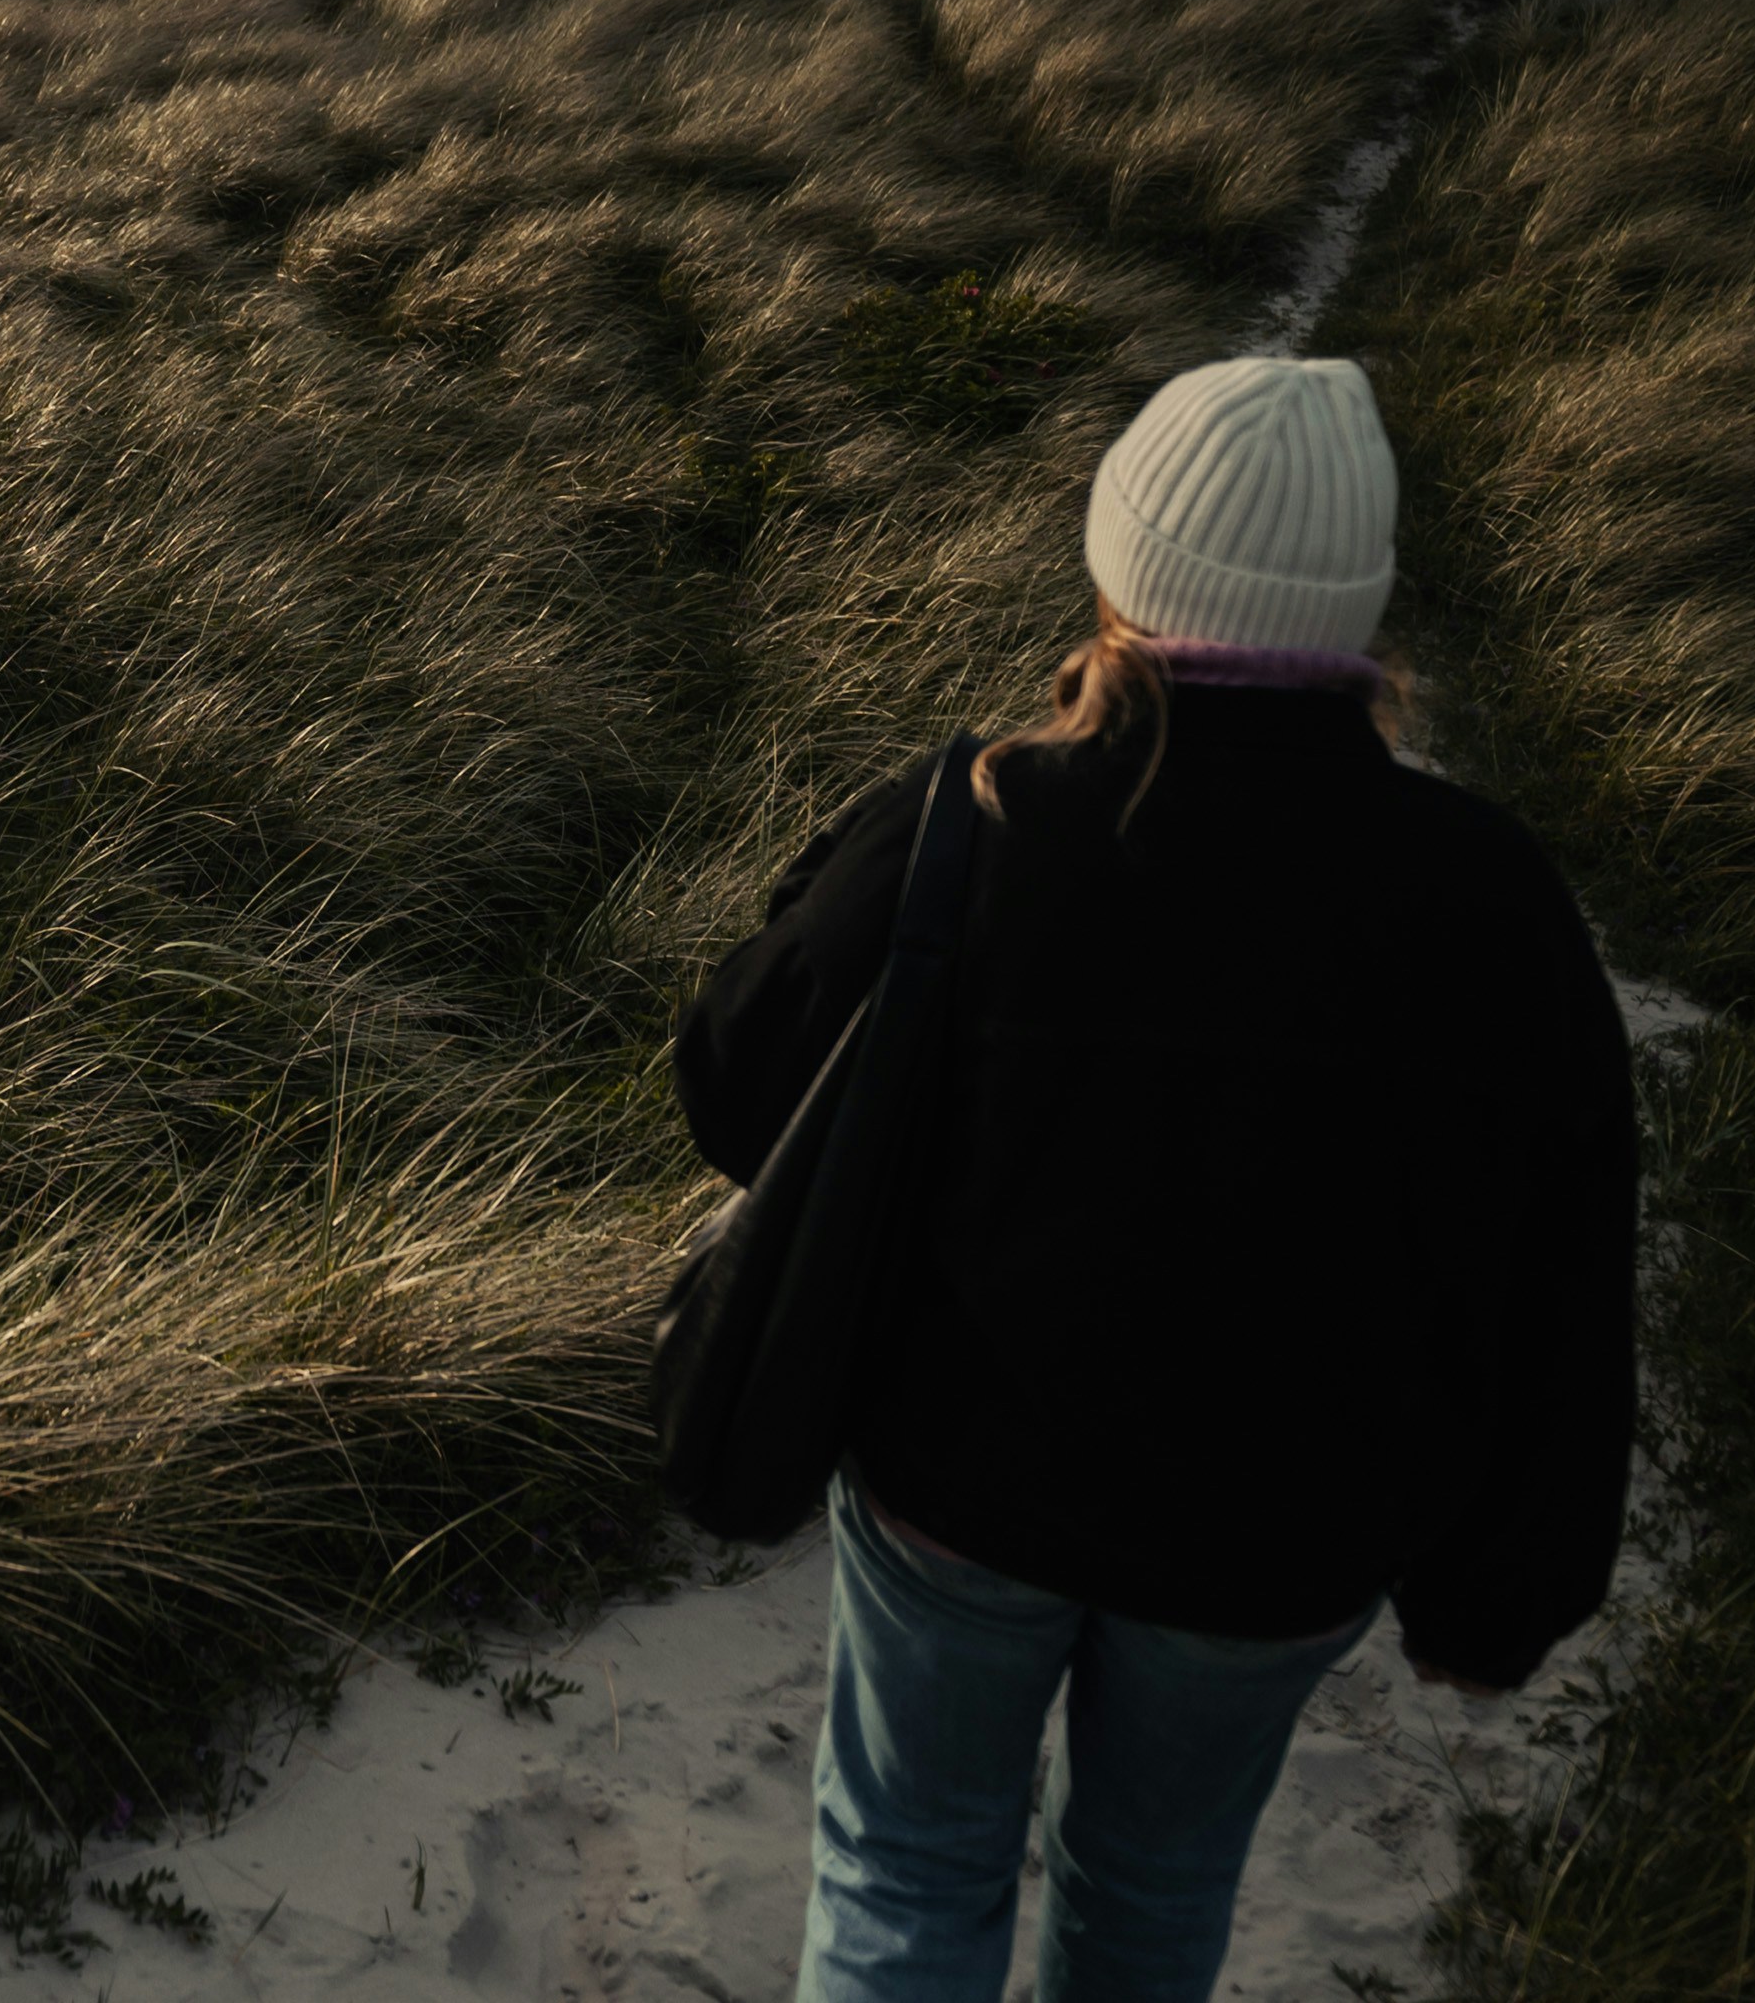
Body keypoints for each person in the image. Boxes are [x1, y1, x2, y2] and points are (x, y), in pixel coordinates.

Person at [675, 355, 1638, 2003]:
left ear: (1123, 575)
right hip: (1278, 1544)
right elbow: (1566, 1274)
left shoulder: (971, 821)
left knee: (908, 1864)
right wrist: (1500, 1602)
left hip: (960, 1487)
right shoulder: (1494, 904)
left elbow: (731, 1084)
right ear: (1357, 620)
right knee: (1155, 1891)